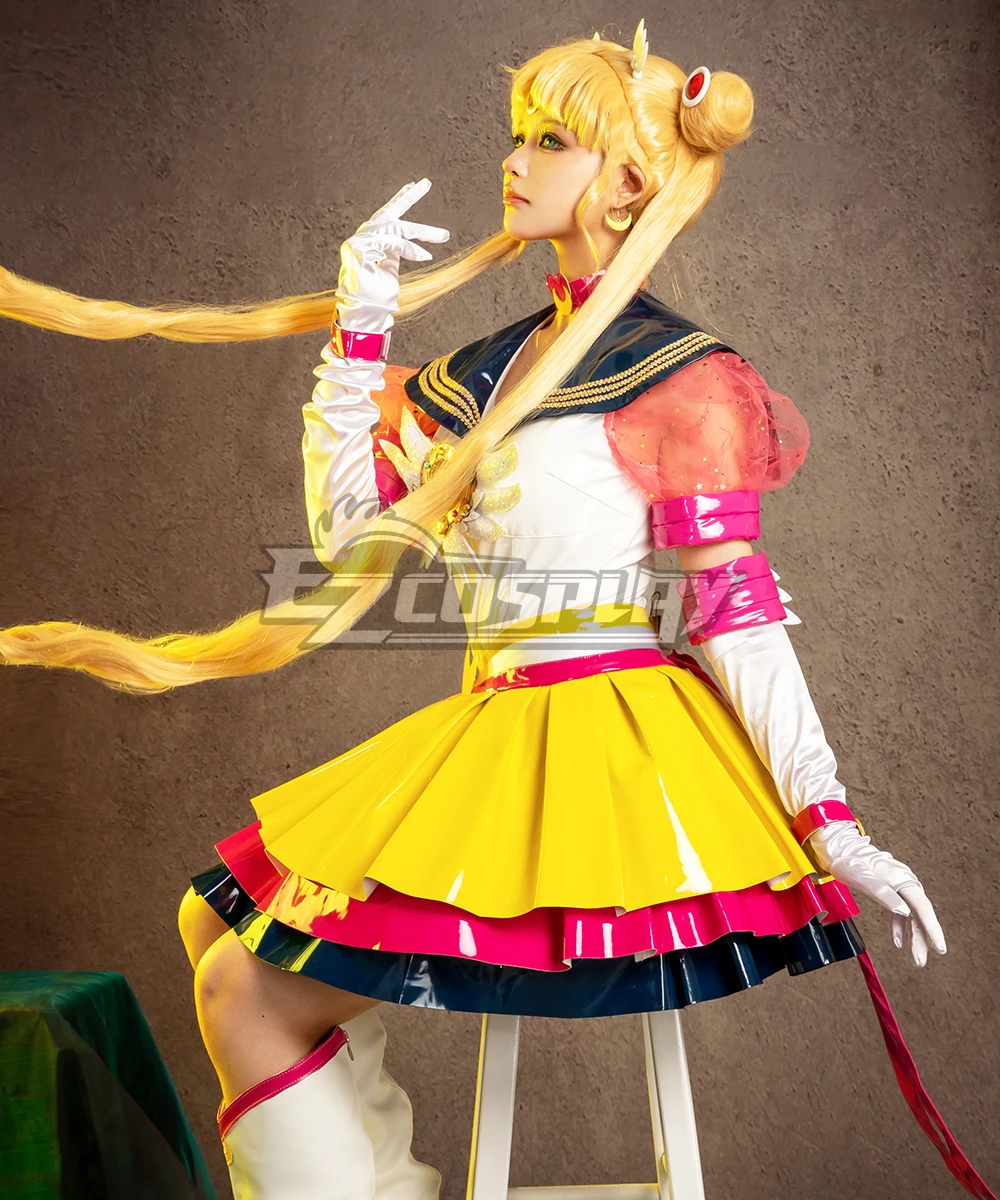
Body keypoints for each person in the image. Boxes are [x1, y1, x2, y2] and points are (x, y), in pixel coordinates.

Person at [1, 22, 992, 1200]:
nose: (514, 161)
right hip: (497, 715)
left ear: (626, 184)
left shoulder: (680, 376)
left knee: (240, 984)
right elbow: (349, 544)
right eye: (517, 134)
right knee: (209, 925)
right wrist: (359, 328)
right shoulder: (485, 370)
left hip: (604, 749)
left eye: (552, 140)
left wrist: (832, 824)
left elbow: (732, 610)